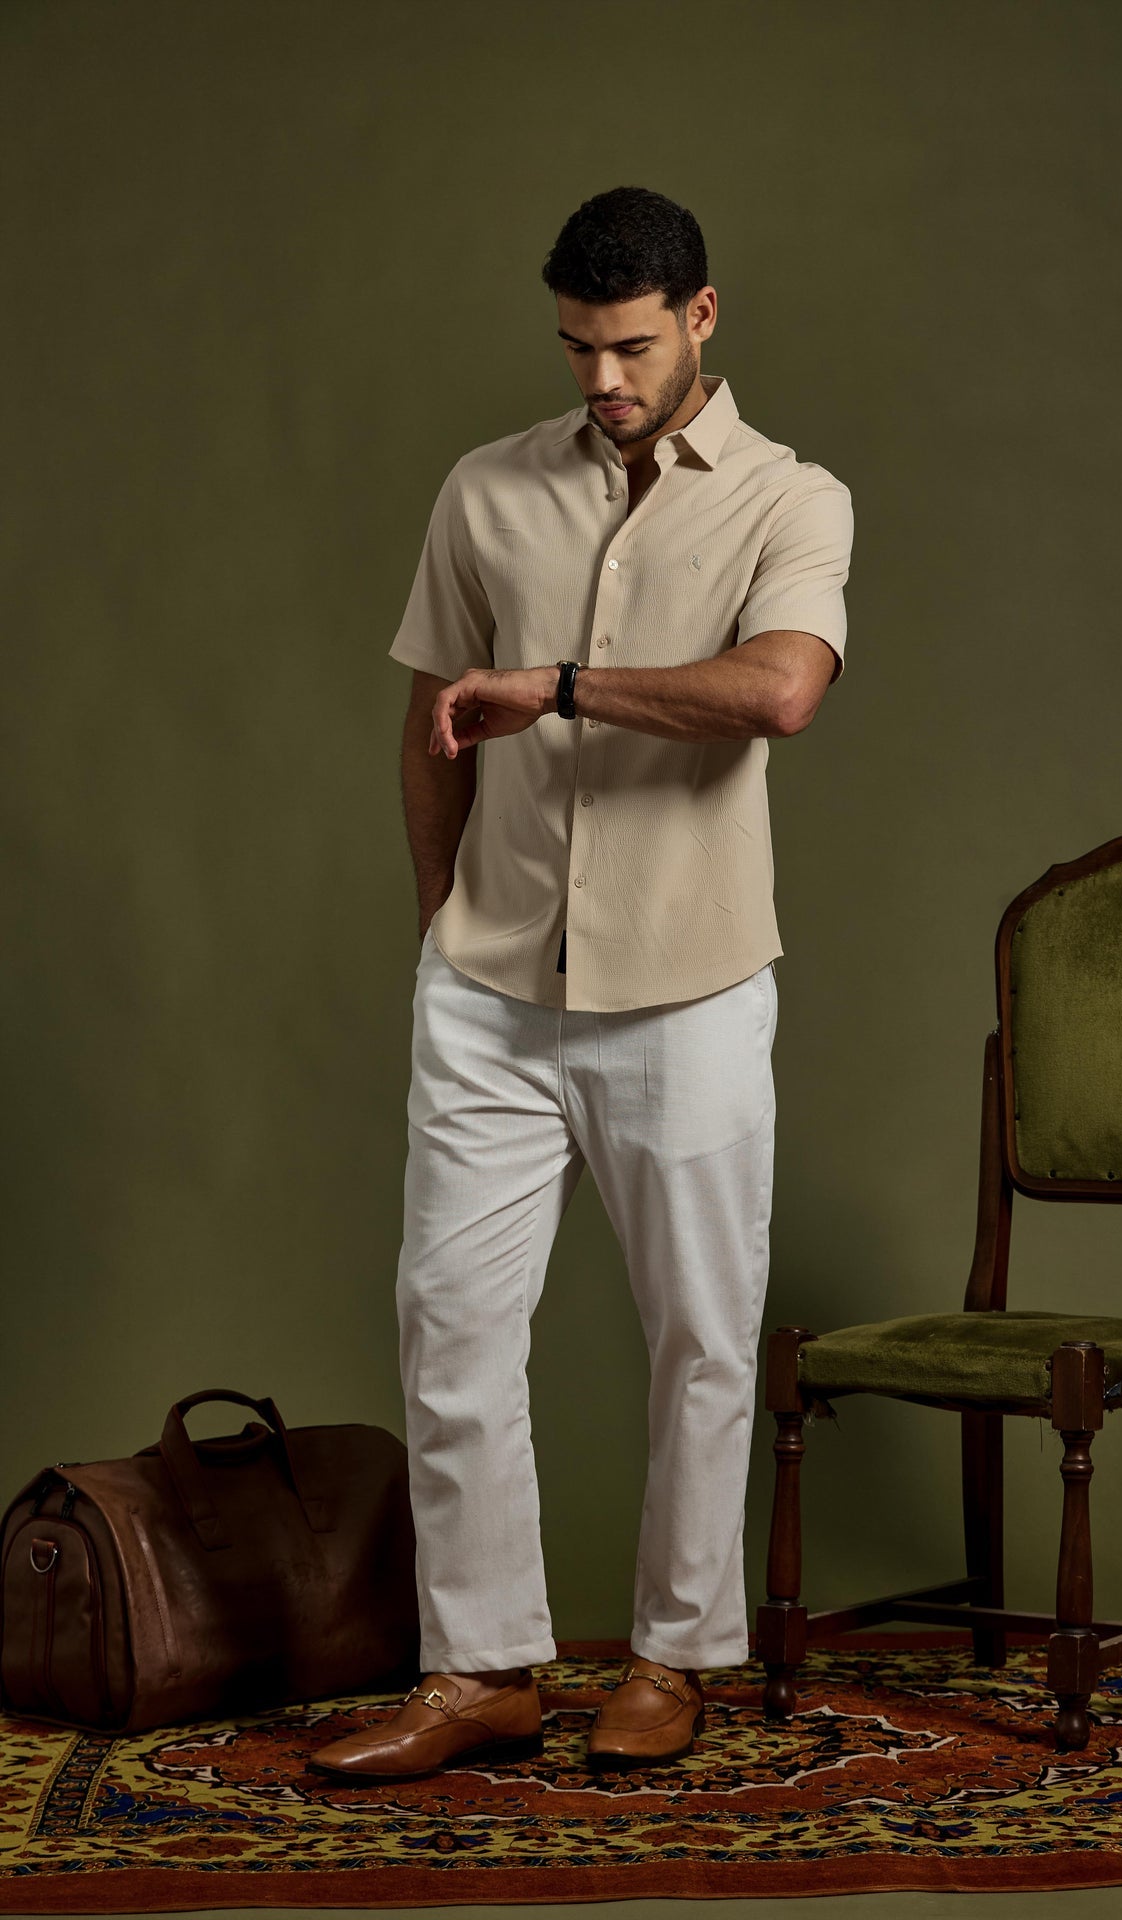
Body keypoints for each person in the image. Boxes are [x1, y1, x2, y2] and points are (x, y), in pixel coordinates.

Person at [310, 185, 853, 1782]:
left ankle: (675, 1662)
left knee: (701, 1336)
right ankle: (480, 1669)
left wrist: (557, 688)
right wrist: (444, 920)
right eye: (575, 347)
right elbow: (432, 724)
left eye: (629, 346)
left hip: (689, 988)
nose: (602, 379)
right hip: (490, 986)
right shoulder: (484, 492)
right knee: (451, 1327)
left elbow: (779, 690)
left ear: (700, 317)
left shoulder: (792, 499)